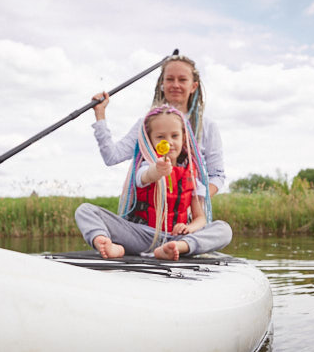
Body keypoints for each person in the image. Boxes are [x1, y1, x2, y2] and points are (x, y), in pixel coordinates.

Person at [75, 105, 233, 260]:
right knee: (85, 210)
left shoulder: (192, 174)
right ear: (149, 140)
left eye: (174, 136)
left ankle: (179, 248)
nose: (169, 142)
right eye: (160, 137)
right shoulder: (145, 166)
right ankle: (105, 242)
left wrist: (188, 228)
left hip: (176, 238)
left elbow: (200, 218)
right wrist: (157, 171)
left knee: (224, 229)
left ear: (184, 138)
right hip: (141, 236)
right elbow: (145, 177)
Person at [91, 54, 225, 197]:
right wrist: (100, 114)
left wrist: (194, 201)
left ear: (193, 86)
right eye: (169, 79)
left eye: (182, 80)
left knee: (220, 222)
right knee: (85, 211)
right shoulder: (146, 123)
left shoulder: (208, 126)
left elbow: (217, 175)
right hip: (144, 214)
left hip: (188, 215)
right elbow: (112, 157)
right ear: (162, 85)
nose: (175, 85)